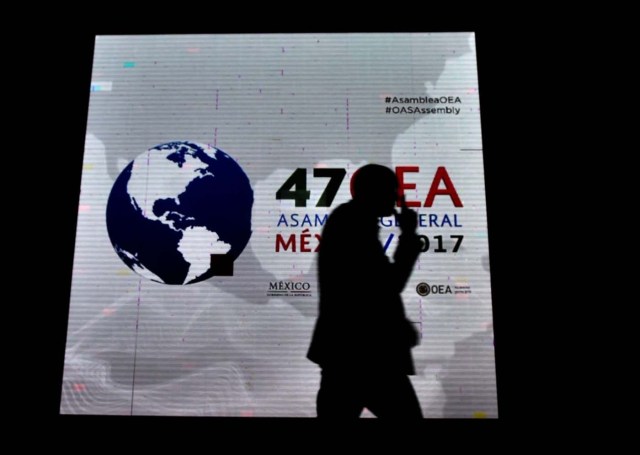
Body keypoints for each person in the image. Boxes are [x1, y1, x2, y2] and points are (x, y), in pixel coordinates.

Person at [307, 163, 423, 418]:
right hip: (368, 358)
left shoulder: (349, 220)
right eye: (392, 190)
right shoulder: (353, 224)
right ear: (376, 191)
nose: (396, 197)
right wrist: (409, 236)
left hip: (347, 355)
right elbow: (387, 285)